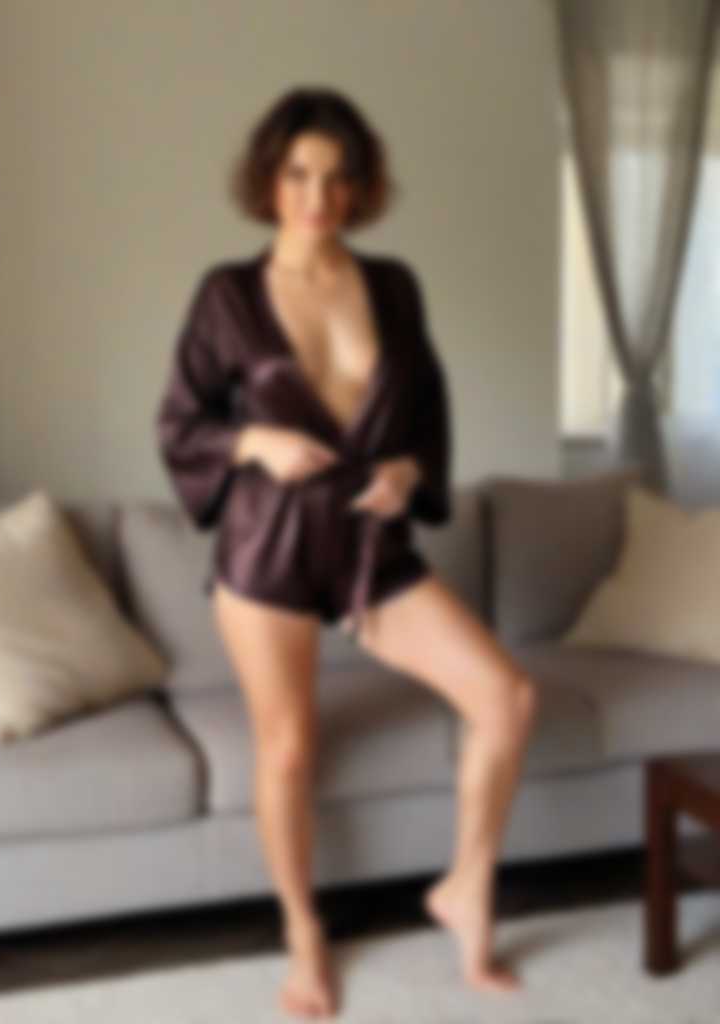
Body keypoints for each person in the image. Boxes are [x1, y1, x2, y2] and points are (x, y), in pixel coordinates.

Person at [156, 86, 539, 1019]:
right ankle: (304, 933)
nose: (317, 197)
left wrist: (407, 471)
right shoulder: (227, 295)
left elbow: (426, 414)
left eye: (336, 178)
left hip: (370, 540)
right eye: (297, 175)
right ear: (268, 180)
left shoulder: (395, 286)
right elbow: (180, 424)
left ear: (361, 187)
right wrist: (255, 442)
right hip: (269, 545)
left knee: (507, 698)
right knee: (289, 749)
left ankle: (467, 888)